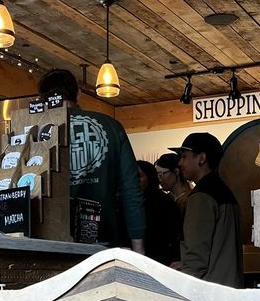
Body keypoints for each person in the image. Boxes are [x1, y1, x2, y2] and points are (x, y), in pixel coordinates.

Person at [37, 69, 145, 252]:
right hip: (103, 241)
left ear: (42, 99)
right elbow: (131, 190)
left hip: (48, 243)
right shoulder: (111, 126)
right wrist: (138, 247)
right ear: (78, 94)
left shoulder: (35, 130)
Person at [169, 131, 243, 288]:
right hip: (229, 287)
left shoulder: (201, 196)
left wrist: (187, 286)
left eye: (184, 156)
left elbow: (196, 254)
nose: (180, 163)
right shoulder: (224, 191)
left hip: (210, 291)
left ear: (201, 158)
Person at [136, 160, 180, 265]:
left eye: (139, 176)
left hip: (158, 260)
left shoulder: (163, 201)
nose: (134, 180)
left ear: (150, 177)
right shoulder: (130, 202)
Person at [154, 152, 191, 225]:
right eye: (157, 176)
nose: (159, 179)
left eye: (160, 174)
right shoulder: (166, 199)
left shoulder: (189, 200)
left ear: (176, 171)